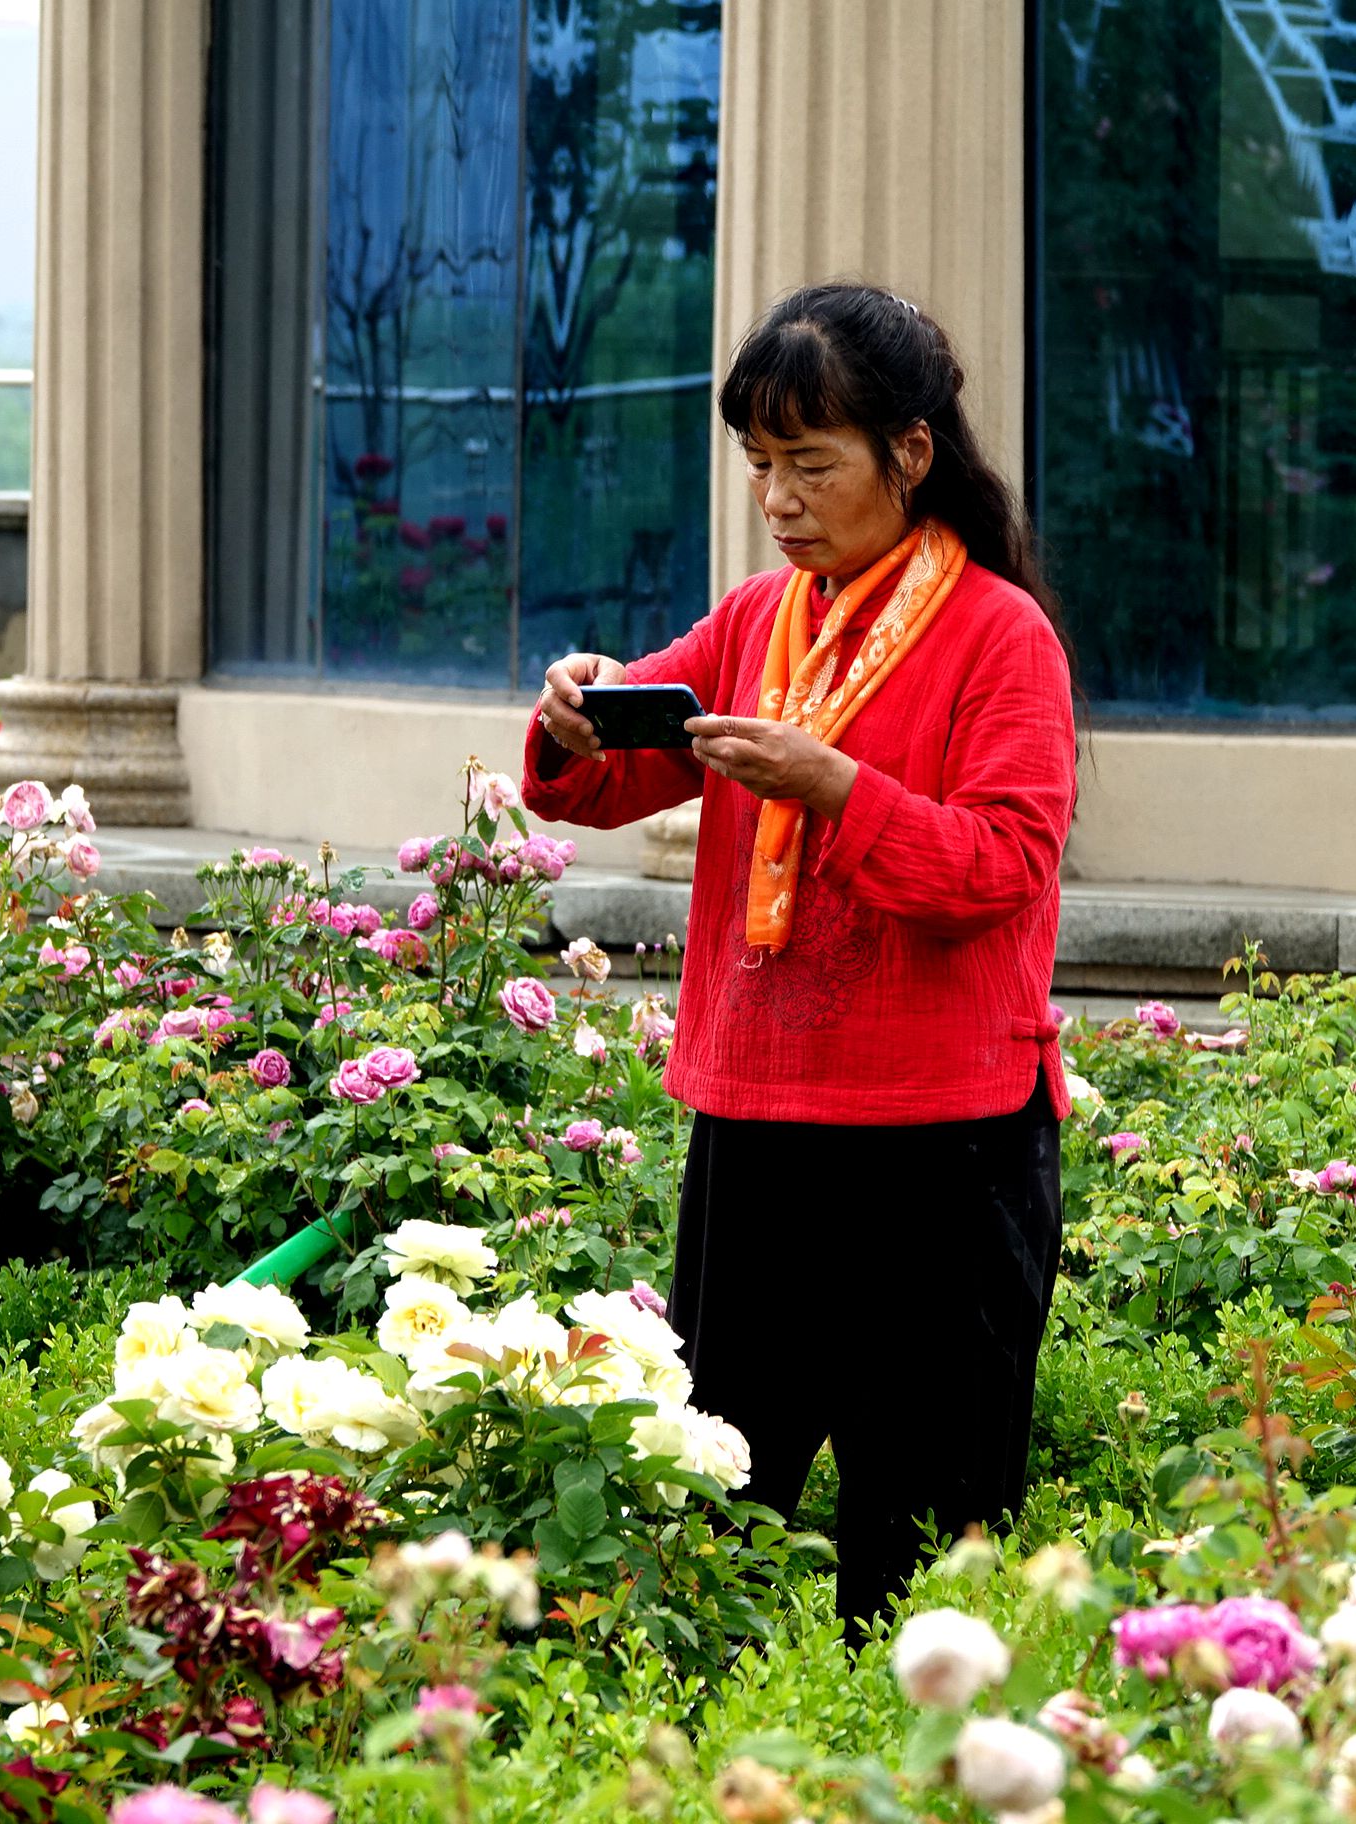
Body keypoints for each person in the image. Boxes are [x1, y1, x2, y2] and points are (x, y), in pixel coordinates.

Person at [521, 283, 1079, 1638]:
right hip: (759, 1127)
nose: (778, 496)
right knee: (717, 1501)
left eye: (811, 462)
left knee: (926, 1534)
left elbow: (999, 871)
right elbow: (590, 791)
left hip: (942, 1146)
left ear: (912, 453)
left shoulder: (1004, 637)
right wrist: (578, 723)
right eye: (760, 463)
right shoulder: (757, 623)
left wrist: (836, 787)